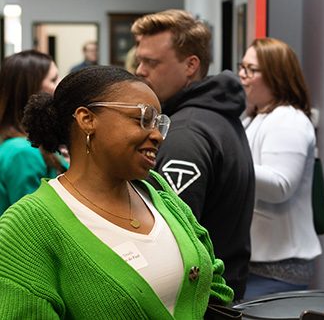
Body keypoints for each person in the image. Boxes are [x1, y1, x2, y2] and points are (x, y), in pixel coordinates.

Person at [0, 66, 233, 318]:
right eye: (143, 118)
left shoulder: (156, 189)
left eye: (159, 123)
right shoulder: (27, 227)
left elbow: (213, 283)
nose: (157, 135)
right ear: (86, 119)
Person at [132, 9, 255, 301]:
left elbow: (170, 241)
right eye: (139, 60)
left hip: (199, 301)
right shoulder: (216, 117)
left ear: (190, 65)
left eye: (151, 62)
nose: (139, 71)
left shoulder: (186, 134)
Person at [239, 38, 322, 299]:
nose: (242, 76)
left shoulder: (289, 120)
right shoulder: (256, 116)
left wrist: (229, 164)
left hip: (277, 268)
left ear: (277, 76)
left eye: (251, 70)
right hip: (258, 263)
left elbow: (280, 186)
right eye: (242, 67)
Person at [0, 50, 66, 214]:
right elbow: (33, 222)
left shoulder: (28, 142)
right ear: (30, 90)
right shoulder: (21, 152)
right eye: (53, 79)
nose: (60, 84)